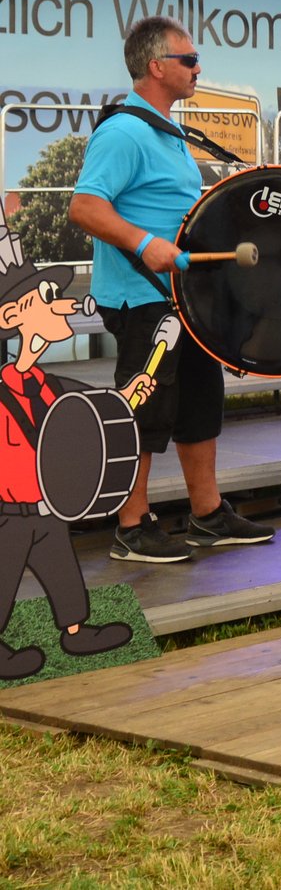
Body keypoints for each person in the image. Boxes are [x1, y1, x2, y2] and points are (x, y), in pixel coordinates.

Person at [69, 16, 273, 563]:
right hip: (142, 297)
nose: (198, 68)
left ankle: (207, 515)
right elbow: (84, 207)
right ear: (157, 66)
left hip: (183, 298)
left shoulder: (167, 132)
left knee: (200, 404)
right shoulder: (123, 132)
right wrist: (144, 243)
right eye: (190, 59)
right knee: (144, 411)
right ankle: (131, 528)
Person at [0, 223, 148, 678]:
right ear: (12, 316)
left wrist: (130, 395)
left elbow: (93, 409)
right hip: (9, 514)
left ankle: (76, 631)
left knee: (61, 570)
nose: (63, 303)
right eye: (47, 297)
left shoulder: (52, 385)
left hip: (47, 509)